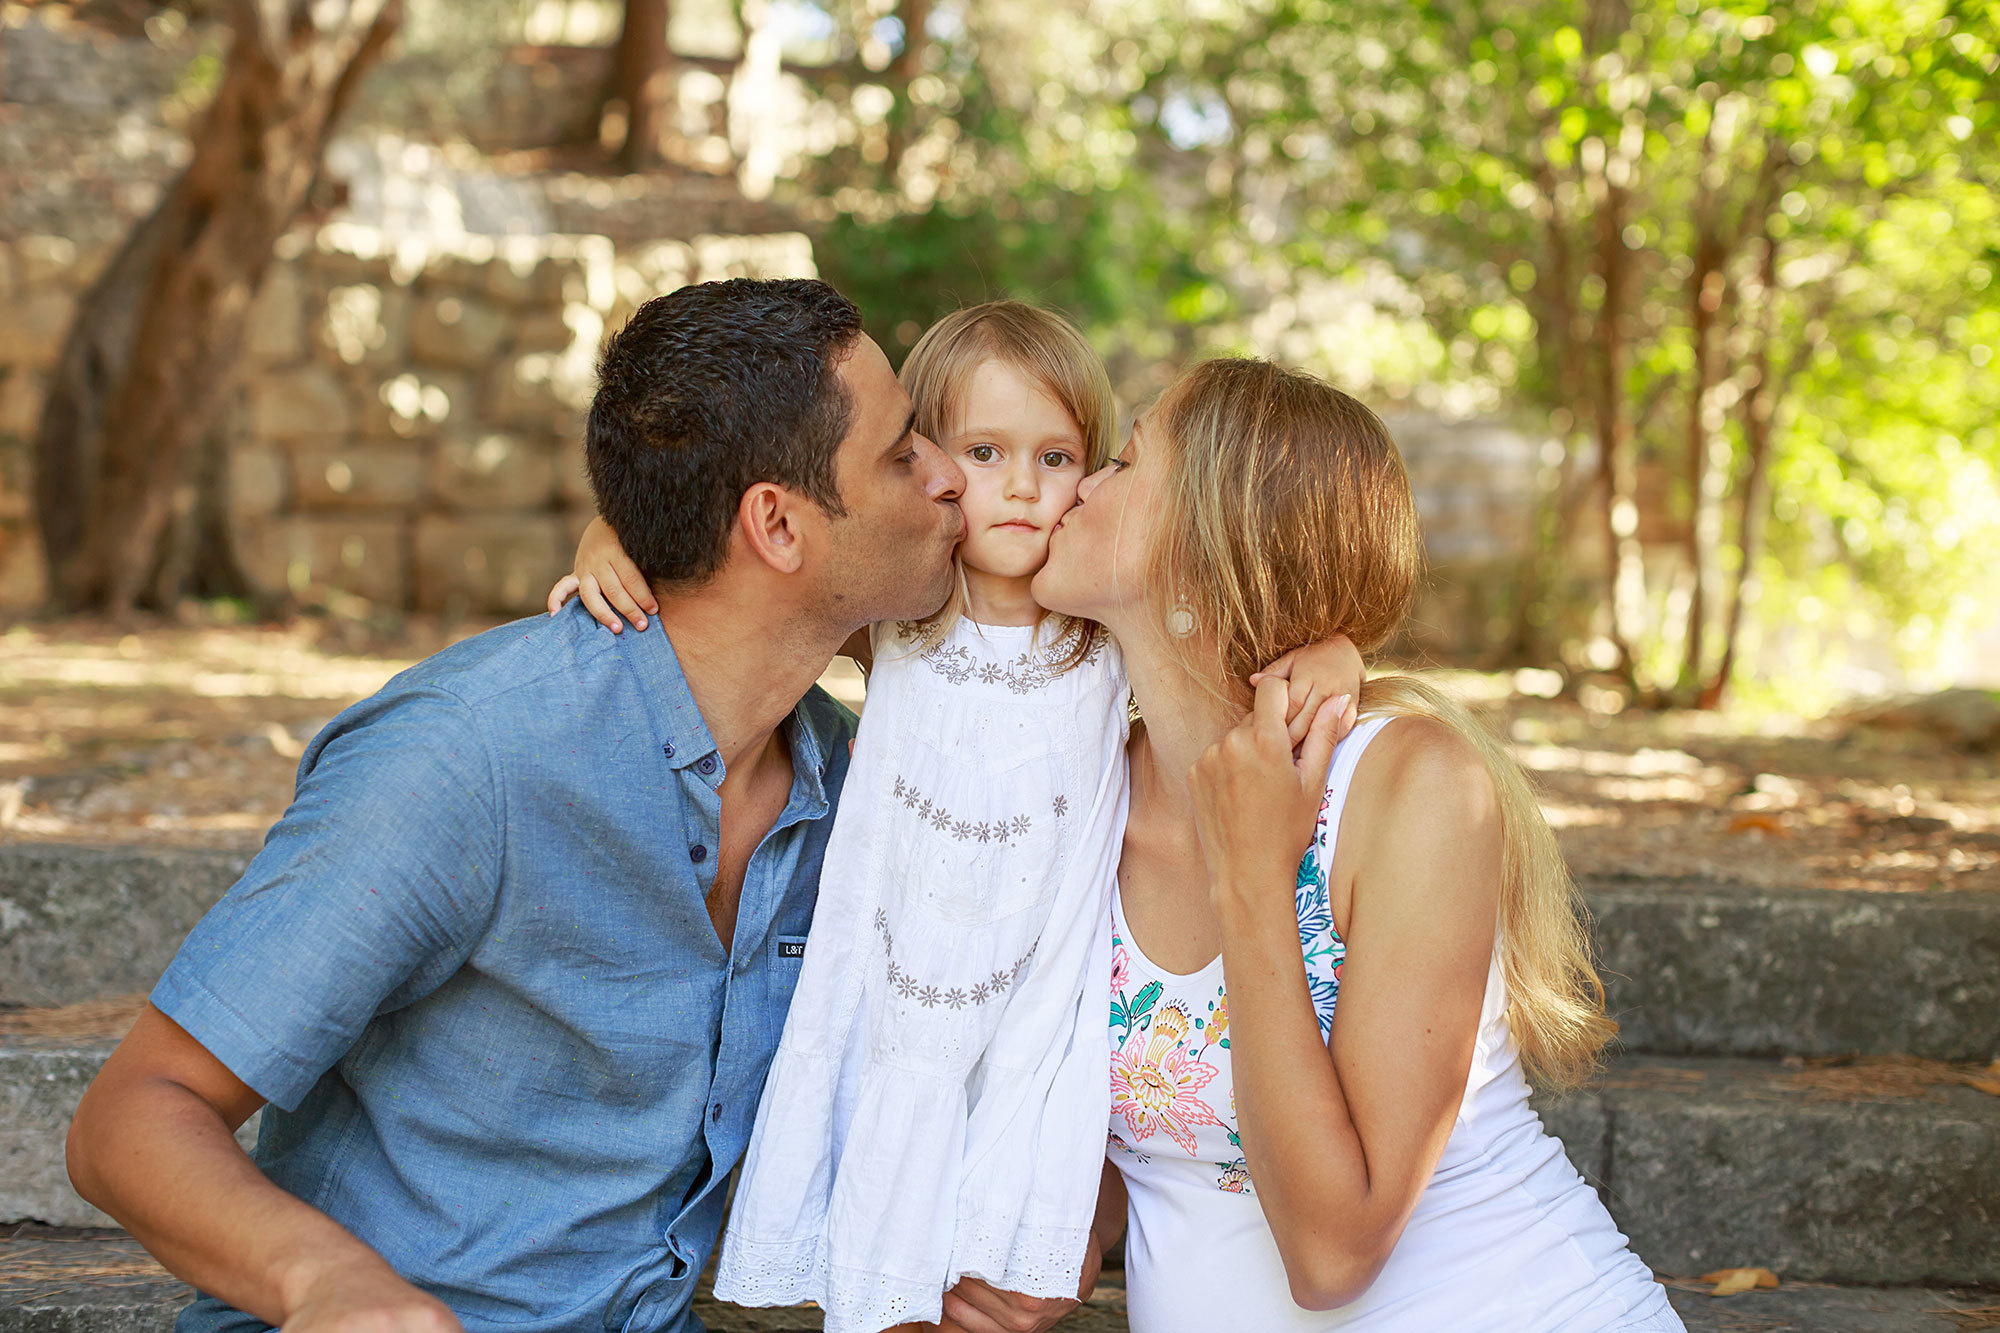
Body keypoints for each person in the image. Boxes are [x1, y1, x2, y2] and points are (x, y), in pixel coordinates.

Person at [63, 277, 967, 1333]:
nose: (949, 477)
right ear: (773, 521)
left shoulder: (850, 780)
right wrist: (331, 1286)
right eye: (904, 452)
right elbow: (130, 1118)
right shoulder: (467, 755)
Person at [555, 302, 1365, 1333]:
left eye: (1058, 455)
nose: (1022, 485)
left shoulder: (1099, 637)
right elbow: (738, 556)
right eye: (985, 452)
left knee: (981, 1284)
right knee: (885, 1247)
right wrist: (609, 530)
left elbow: (1241, 641)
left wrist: (1336, 652)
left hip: (1031, 1023)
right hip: (892, 997)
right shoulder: (904, 615)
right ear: (931, 468)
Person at [1034, 357, 1683, 1331]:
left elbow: (1333, 1254)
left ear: (1203, 553)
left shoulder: (1408, 786)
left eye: (1123, 462)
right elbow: (1135, 1154)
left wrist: (1255, 871)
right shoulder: (1079, 792)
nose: (1079, 482)